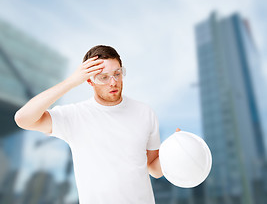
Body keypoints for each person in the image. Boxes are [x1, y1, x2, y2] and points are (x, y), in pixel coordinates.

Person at [14, 45, 180, 204]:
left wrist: (176, 150)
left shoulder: (145, 112)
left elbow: (153, 169)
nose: (113, 82)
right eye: (104, 77)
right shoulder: (74, 116)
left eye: (117, 74)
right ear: (89, 81)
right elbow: (23, 119)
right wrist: (71, 81)